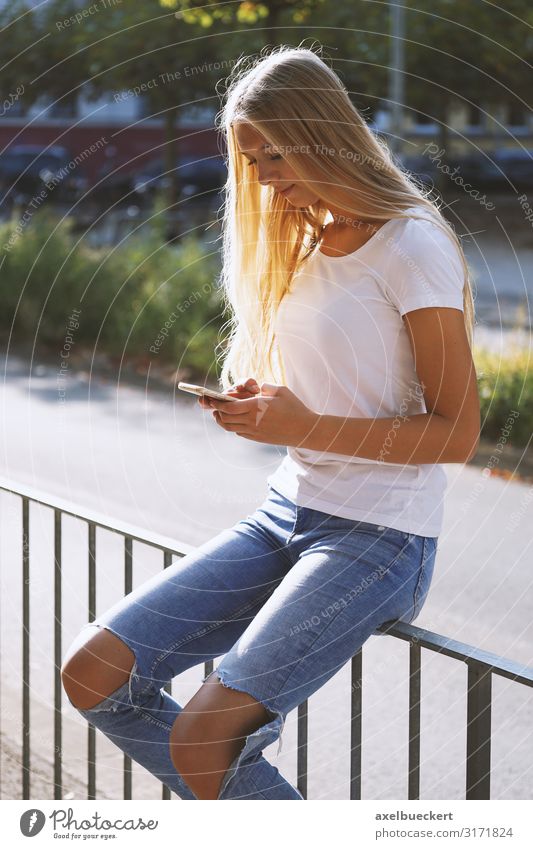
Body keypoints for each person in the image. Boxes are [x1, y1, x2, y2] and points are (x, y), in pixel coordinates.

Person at [61, 45, 480, 801]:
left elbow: (455, 432)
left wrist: (305, 423)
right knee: (95, 670)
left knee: (202, 737)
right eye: (248, 158)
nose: (257, 175)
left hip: (379, 537)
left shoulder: (412, 243)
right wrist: (268, 404)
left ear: (322, 136)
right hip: (287, 511)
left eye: (271, 153)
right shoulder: (314, 238)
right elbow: (342, 387)